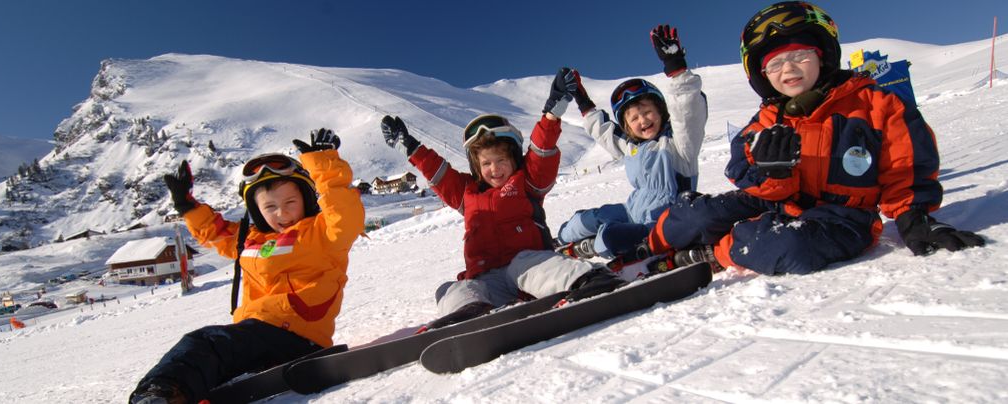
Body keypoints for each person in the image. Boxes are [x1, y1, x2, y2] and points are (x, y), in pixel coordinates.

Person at [640, 1, 984, 275]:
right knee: (700, 214)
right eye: (774, 65)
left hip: (842, 216)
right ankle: (646, 248)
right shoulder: (768, 118)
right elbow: (741, 168)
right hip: (778, 200)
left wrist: (913, 218)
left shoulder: (876, 105)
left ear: (822, 56)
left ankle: (715, 252)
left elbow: (908, 168)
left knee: (787, 247)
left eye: (798, 56)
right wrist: (769, 173)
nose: (787, 70)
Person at [130, 129, 365, 404]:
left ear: (306, 198)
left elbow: (345, 215)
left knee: (205, 342)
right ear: (257, 211)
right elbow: (215, 232)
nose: (282, 213)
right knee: (214, 357)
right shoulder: (252, 240)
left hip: (296, 335)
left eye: (291, 202)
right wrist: (186, 205)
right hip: (256, 335)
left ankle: (161, 393)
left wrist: (324, 163)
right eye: (270, 206)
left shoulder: (321, 232)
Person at [379, 72, 623, 329]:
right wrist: (409, 146)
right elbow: (438, 172)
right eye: (486, 163)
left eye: (501, 160)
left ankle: (590, 279)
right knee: (449, 289)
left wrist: (554, 110)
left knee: (526, 263)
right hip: (489, 283)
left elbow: (542, 151)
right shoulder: (466, 192)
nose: (494, 169)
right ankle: (472, 314)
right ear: (476, 166)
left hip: (529, 272)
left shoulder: (526, 182)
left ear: (514, 160)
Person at [554, 24, 708, 264]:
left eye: (647, 112)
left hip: (664, 224)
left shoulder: (679, 145)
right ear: (627, 126)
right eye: (634, 118)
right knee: (589, 218)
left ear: (661, 112)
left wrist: (676, 68)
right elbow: (605, 132)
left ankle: (597, 246)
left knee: (609, 237)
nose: (643, 120)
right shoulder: (633, 147)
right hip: (631, 212)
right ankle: (558, 241)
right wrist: (582, 101)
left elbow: (687, 112)